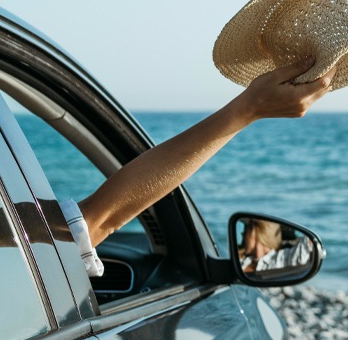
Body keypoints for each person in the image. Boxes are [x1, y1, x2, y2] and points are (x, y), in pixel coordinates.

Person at [60, 57, 333, 276]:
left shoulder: (22, 238)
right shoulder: (37, 242)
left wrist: (251, 107)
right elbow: (97, 221)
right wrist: (249, 108)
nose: (250, 243)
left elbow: (95, 221)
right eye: (250, 234)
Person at [238, 218, 313, 274]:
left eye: (245, 231)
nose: (243, 234)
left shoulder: (277, 259)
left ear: (256, 232)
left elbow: (301, 253)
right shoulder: (245, 259)